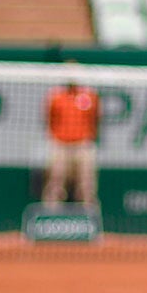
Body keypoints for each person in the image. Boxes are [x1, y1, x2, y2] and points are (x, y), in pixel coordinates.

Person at [42, 71, 100, 207]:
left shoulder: (90, 96)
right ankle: (50, 215)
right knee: (55, 181)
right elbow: (49, 119)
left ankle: (89, 216)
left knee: (87, 184)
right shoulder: (56, 97)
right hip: (60, 144)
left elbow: (96, 119)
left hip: (83, 145)